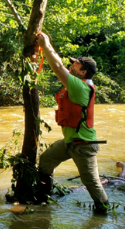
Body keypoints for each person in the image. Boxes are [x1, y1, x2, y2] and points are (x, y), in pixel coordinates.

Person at [35, 32, 109, 213]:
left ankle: (103, 211)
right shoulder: (78, 84)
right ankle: (44, 198)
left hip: (84, 145)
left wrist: (46, 45)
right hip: (70, 142)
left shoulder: (80, 86)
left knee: (91, 182)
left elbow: (58, 66)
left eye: (77, 63)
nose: (72, 64)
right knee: (46, 160)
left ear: (83, 72)